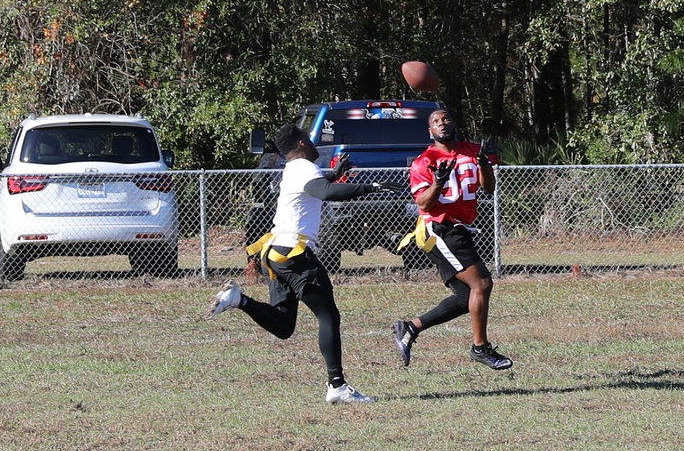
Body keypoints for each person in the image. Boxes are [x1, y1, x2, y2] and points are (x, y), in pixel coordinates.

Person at [208, 123, 401, 404]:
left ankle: (240, 300)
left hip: (274, 253)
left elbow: (314, 188)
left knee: (284, 325)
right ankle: (337, 386)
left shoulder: (293, 168)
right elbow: (324, 192)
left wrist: (335, 174)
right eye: (309, 140)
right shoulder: (305, 168)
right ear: (300, 143)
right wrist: (369, 186)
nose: (313, 145)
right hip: (294, 256)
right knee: (328, 316)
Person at [393, 108, 512, 370]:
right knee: (481, 283)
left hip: (458, 228)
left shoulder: (471, 151)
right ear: (430, 131)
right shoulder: (424, 161)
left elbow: (488, 188)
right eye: (436, 121)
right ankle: (480, 348)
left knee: (464, 297)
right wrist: (437, 183)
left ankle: (410, 328)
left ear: (453, 122)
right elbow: (423, 203)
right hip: (438, 227)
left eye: (446, 118)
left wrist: (483, 165)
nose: (442, 123)